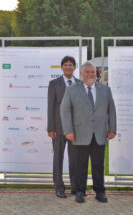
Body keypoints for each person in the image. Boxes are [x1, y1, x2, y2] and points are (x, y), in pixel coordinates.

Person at [60, 61, 116, 204]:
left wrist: (112, 128)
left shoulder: (105, 89)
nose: (90, 74)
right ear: (81, 74)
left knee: (98, 165)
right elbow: (65, 111)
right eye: (87, 72)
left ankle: (100, 191)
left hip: (99, 133)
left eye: (93, 72)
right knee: (80, 165)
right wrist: (68, 130)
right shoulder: (72, 90)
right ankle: (80, 191)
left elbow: (111, 110)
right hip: (79, 134)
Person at [47, 56, 79, 198]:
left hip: (75, 129)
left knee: (75, 159)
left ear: (74, 67)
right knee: (58, 158)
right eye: (65, 64)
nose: (68, 67)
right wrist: (50, 127)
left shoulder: (80, 83)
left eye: (70, 64)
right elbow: (51, 106)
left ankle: (75, 186)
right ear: (61, 67)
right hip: (58, 128)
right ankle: (59, 187)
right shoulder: (54, 84)